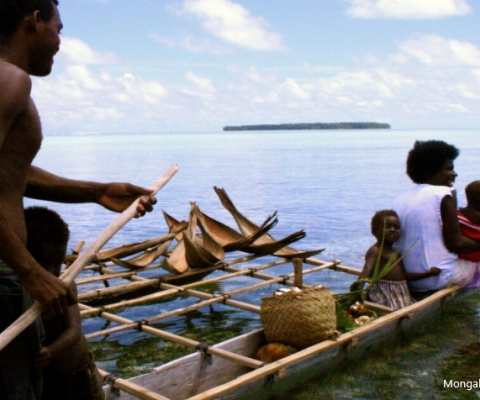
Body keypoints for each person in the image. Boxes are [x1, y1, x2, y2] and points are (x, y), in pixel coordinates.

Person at [0, 1, 155, 398]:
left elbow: (11, 172)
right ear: (34, 21)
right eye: (59, 29)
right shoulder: (10, 79)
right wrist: (31, 272)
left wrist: (96, 192)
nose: (59, 43)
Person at [25, 207, 104, 400]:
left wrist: (49, 352)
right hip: (45, 383)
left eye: (59, 263)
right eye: (47, 264)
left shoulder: (65, 284)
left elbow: (74, 330)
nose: (55, 272)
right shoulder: (15, 290)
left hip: (79, 375)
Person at [393, 140, 480, 293]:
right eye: (449, 169)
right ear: (432, 170)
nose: (454, 174)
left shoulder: (401, 198)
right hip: (439, 277)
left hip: (409, 278)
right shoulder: (444, 194)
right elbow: (456, 243)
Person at [359, 210, 440, 309]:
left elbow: (403, 276)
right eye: (387, 226)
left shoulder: (396, 252)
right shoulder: (375, 250)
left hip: (400, 294)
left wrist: (428, 274)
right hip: (385, 295)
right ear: (375, 231)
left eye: (396, 227)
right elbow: (366, 271)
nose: (393, 229)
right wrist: (356, 292)